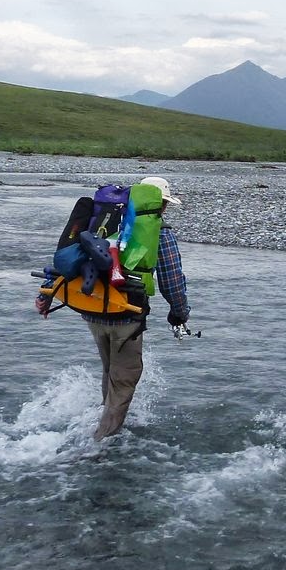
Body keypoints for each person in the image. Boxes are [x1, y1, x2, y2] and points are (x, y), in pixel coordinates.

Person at [37, 175, 191, 440]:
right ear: (161, 205)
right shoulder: (160, 232)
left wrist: (47, 296)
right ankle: (101, 443)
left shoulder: (105, 223)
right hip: (126, 314)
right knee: (125, 378)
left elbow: (69, 256)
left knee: (110, 369)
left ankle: (105, 417)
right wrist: (179, 313)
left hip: (92, 308)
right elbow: (172, 280)